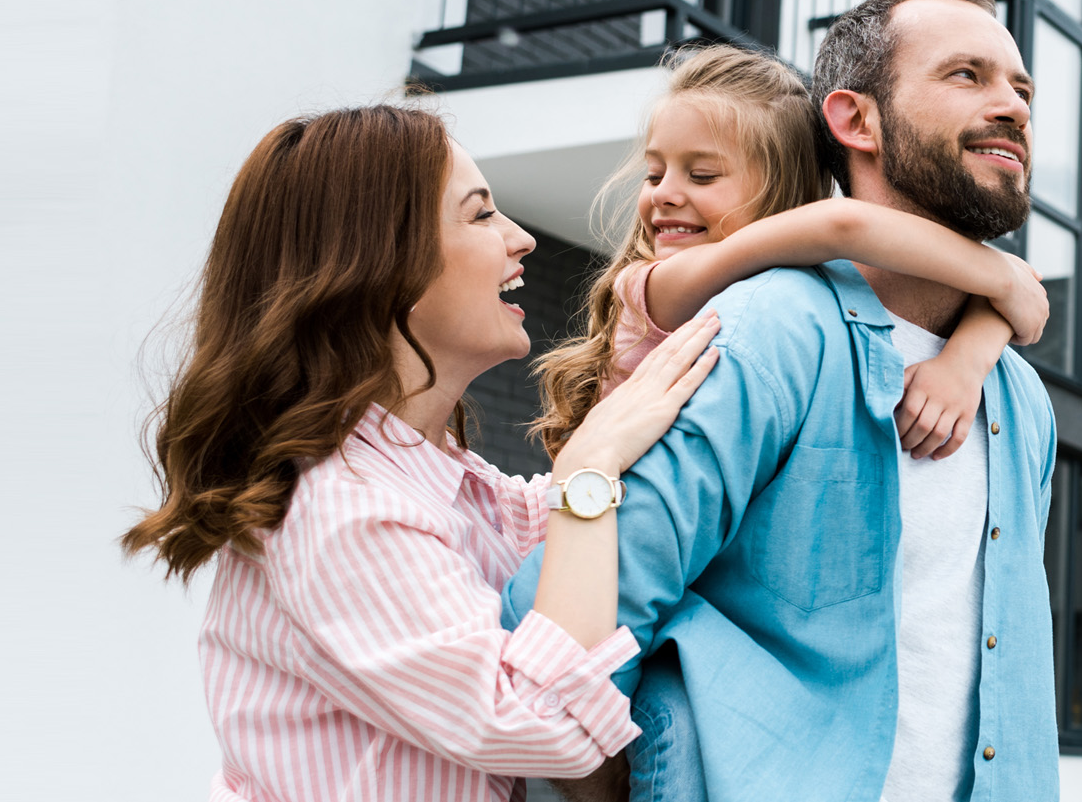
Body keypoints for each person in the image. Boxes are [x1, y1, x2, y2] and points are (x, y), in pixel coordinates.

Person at [504, 0, 1060, 802]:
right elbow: (562, 628)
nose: (1012, 105)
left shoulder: (1018, 399)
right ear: (853, 119)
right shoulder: (764, 334)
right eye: (965, 75)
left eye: (1020, 87)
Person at [120, 104, 723, 802]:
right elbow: (549, 723)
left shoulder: (437, 477)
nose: (520, 238)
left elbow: (568, 546)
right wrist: (587, 472)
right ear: (379, 263)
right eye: (479, 215)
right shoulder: (345, 507)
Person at [533, 44, 1048, 467]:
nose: (662, 193)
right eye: (654, 174)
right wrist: (1000, 275)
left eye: (702, 175)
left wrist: (963, 362)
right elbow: (844, 225)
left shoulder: (804, 291)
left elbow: (1013, 296)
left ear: (784, 191)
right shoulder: (655, 285)